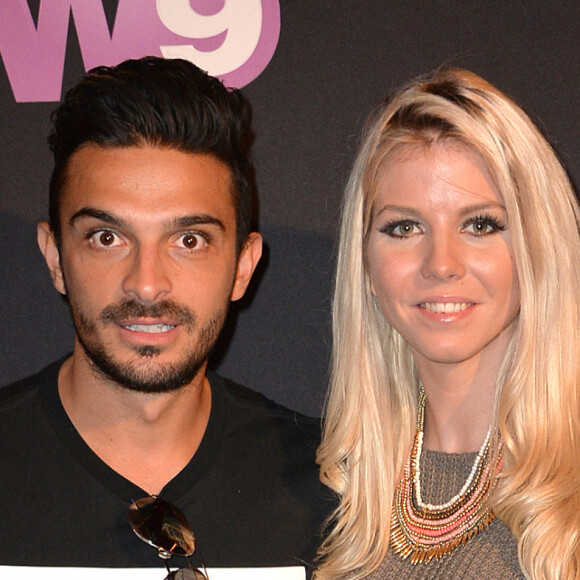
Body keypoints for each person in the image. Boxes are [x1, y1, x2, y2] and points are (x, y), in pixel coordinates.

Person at [0, 56, 331, 579]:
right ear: (55, 257)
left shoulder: (331, 488)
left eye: (189, 240)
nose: (147, 283)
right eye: (107, 238)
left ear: (243, 266)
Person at [315, 68, 580, 580]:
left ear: (537, 248)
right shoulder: (340, 493)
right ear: (366, 265)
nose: (441, 263)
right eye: (405, 227)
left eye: (480, 225)